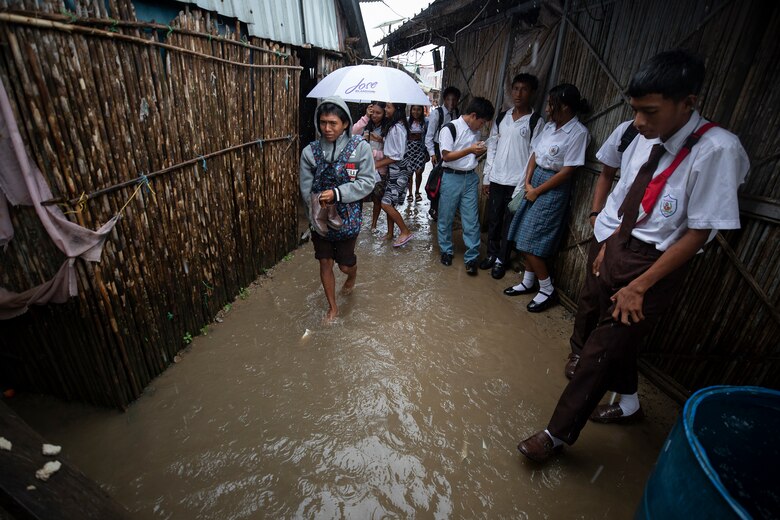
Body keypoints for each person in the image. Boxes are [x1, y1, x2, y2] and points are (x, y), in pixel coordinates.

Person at [517, 50, 750, 463]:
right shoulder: (643, 139)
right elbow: (626, 196)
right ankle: (629, 405)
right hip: (618, 244)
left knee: (600, 351)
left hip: (654, 265)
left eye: (650, 111)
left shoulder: (717, 149)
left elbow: (698, 233)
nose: (640, 122)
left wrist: (640, 285)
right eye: (635, 111)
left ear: (688, 103)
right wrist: (606, 244)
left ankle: (556, 435)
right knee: (611, 337)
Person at [503, 84, 591, 312]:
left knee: (532, 242)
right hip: (534, 181)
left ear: (566, 107)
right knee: (523, 234)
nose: (548, 109)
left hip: (553, 188)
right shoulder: (550, 127)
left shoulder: (578, 133)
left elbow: (567, 171)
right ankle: (528, 281)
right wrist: (528, 181)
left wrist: (538, 190)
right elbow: (535, 153)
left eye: (553, 105)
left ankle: (546, 289)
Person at [565, 118, 636, 379]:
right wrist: (596, 212)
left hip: (644, 239)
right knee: (591, 293)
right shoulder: (628, 131)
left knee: (621, 307)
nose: (639, 120)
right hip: (609, 225)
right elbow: (607, 173)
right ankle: (578, 351)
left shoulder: (700, 145)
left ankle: (606, 363)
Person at [300, 96, 376, 321]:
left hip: (348, 218)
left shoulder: (360, 148)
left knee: (344, 265)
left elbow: (368, 182)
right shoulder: (310, 152)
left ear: (345, 124)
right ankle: (332, 307)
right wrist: (313, 216)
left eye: (333, 123)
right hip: (320, 219)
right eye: (323, 122)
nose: (327, 128)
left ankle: (352, 276)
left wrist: (337, 193)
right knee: (325, 261)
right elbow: (305, 189)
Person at [480, 73, 544, 279]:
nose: (518, 93)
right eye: (515, 89)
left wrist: (523, 183)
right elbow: (492, 146)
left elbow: (534, 154)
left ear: (532, 93)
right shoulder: (502, 117)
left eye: (524, 89)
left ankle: (501, 259)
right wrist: (487, 177)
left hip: (517, 182)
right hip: (497, 177)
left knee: (510, 222)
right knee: (494, 219)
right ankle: (491, 254)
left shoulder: (535, 121)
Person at [437, 96, 495, 275]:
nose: (482, 126)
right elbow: (446, 156)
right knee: (446, 217)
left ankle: (471, 258)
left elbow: (470, 158)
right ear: (473, 115)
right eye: (482, 122)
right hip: (451, 177)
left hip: (470, 178)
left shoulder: (475, 132)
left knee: (471, 220)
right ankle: (446, 250)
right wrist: (470, 150)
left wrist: (477, 152)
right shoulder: (450, 128)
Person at [376, 102, 414, 247]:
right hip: (395, 169)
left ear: (397, 109)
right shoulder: (396, 126)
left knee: (385, 203)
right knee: (390, 202)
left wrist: (375, 165)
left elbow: (395, 156)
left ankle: (405, 231)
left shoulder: (397, 128)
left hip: (399, 169)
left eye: (388, 107)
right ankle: (390, 233)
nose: (385, 109)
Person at [425, 86, 461, 220]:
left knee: (448, 180)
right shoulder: (437, 113)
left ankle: (444, 209)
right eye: (448, 99)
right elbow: (429, 136)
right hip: (438, 150)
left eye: (454, 100)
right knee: (437, 180)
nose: (451, 103)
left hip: (452, 150)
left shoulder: (456, 113)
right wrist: (432, 154)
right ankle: (434, 208)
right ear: (444, 100)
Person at [353, 102, 388, 232]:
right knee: (359, 196)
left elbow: (390, 153)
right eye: (373, 113)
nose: (375, 116)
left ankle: (373, 225)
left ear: (384, 113)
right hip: (364, 168)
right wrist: (366, 117)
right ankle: (357, 221)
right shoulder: (366, 124)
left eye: (379, 113)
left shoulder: (387, 129)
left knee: (377, 198)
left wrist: (376, 147)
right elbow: (353, 132)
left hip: (380, 169)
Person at [405, 104, 429, 203]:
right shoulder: (407, 121)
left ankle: (417, 191)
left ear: (422, 111)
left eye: (418, 110)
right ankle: (410, 193)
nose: (416, 112)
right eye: (414, 109)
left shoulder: (426, 122)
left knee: (419, 171)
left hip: (420, 149)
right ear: (411, 111)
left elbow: (428, 136)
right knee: (409, 172)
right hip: (409, 149)